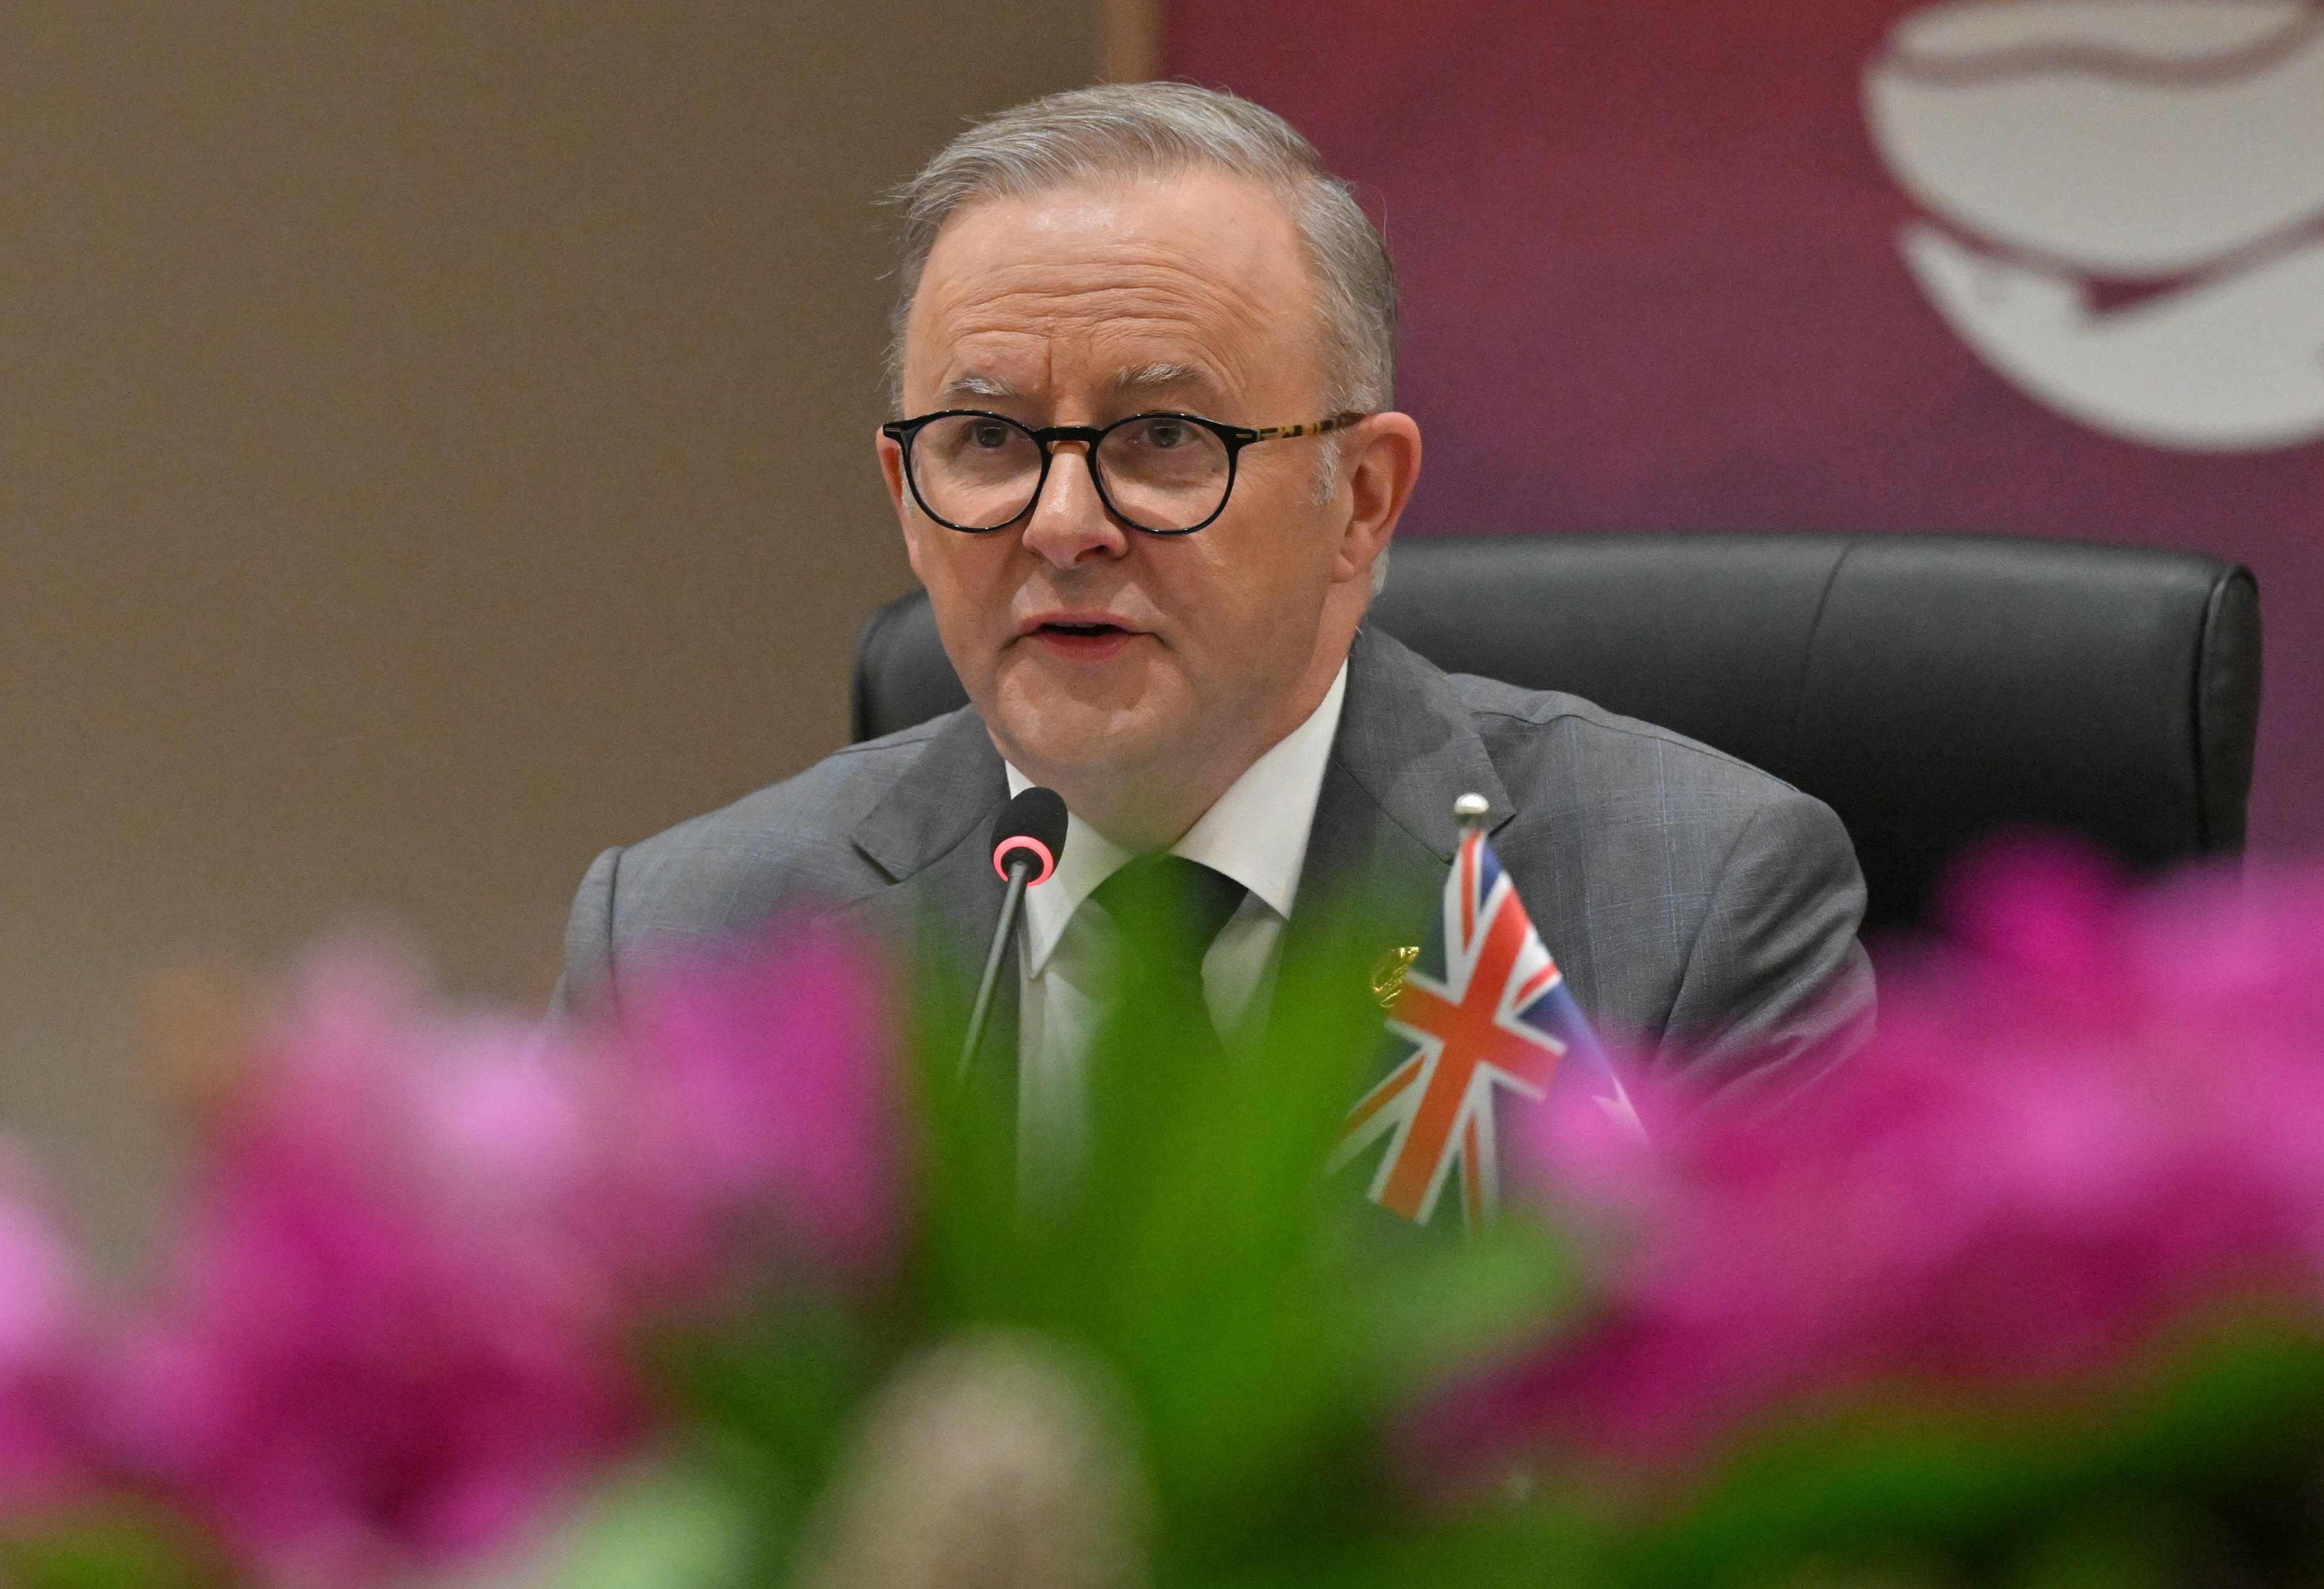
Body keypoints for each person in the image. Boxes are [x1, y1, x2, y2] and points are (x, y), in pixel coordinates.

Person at [556, 83, 1872, 1151]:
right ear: (907, 496)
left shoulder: (1686, 912)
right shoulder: (691, 947)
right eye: (985, 440)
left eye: (1165, 435)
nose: (1061, 520)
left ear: (1359, 498)